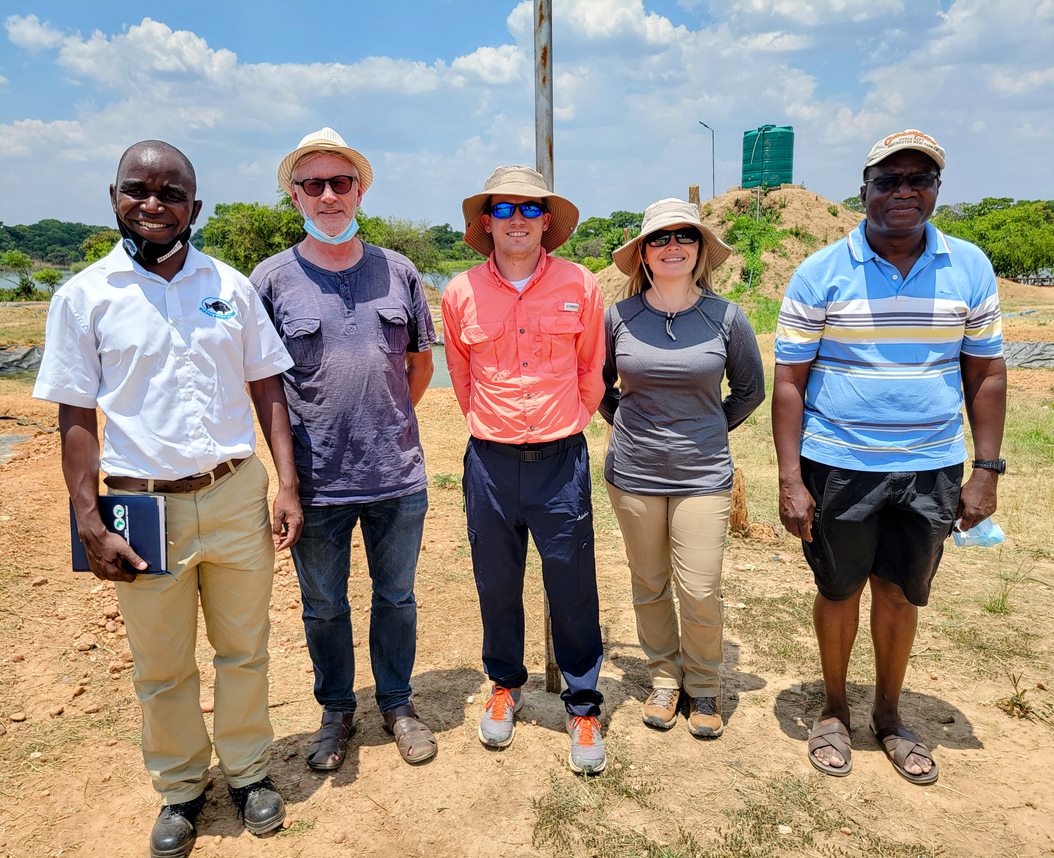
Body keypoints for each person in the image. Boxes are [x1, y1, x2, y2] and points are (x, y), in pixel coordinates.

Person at [33, 141, 302, 857]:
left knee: (244, 650)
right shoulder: (84, 296)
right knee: (161, 664)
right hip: (139, 509)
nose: (154, 204)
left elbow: (267, 387)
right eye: (138, 189)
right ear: (114, 196)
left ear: (195, 207)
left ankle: (247, 773)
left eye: (171, 192)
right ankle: (181, 787)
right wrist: (87, 518)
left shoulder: (230, 286)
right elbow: (76, 417)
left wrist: (288, 485)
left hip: (235, 493)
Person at [772, 130, 1006, 785]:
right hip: (839, 464)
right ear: (864, 190)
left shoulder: (969, 267)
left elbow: (985, 373)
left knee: (902, 593)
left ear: (936, 191)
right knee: (838, 588)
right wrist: (791, 479)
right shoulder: (821, 271)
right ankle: (836, 710)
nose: (904, 191)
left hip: (931, 466)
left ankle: (891, 715)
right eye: (889, 180)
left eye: (919, 179)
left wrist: (985, 470)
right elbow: (788, 381)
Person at [251, 128, 438, 770]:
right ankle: (336, 709)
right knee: (323, 604)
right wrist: (286, 481)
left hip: (396, 475)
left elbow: (417, 365)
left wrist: (381, 423)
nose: (329, 195)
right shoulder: (271, 281)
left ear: (360, 190)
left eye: (340, 182)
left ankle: (397, 702)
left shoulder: (400, 272)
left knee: (397, 597)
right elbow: (265, 385)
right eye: (313, 185)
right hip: (314, 481)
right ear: (295, 196)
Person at [441, 166, 608, 774]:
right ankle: (505, 682)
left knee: (572, 583)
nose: (517, 220)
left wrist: (567, 421)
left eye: (530, 209)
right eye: (505, 209)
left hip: (561, 462)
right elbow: (461, 376)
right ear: (487, 221)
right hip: (490, 462)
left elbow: (592, 369)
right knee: (495, 581)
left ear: (546, 222)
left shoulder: (581, 285)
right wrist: (496, 424)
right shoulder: (460, 292)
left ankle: (584, 702)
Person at [600, 198, 765, 738]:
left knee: (699, 587)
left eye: (684, 238)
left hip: (702, 475)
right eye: (660, 239)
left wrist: (708, 428)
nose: (673, 247)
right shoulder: (619, 318)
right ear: (643, 255)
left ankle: (704, 685)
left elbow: (750, 390)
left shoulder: (726, 318)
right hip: (633, 474)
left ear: (700, 252)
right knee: (648, 583)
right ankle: (665, 679)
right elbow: (599, 387)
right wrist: (626, 423)